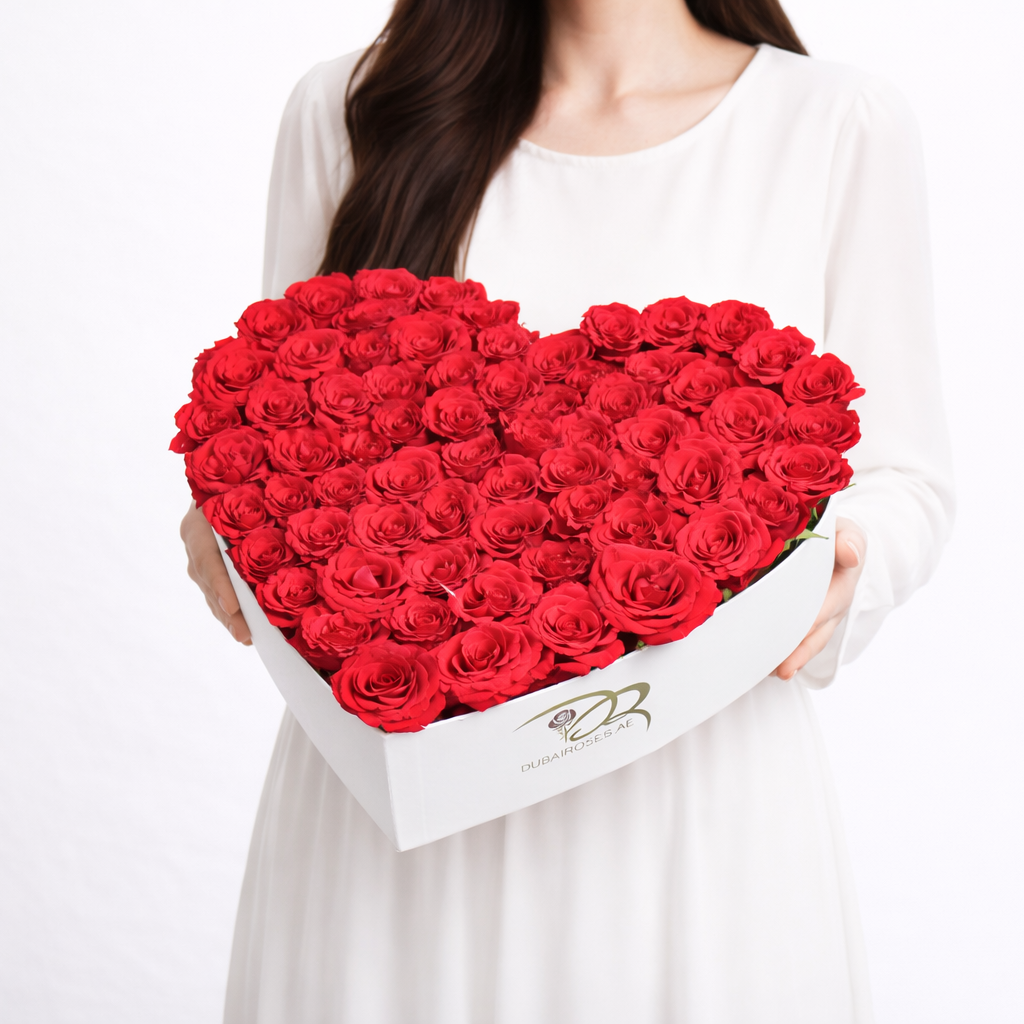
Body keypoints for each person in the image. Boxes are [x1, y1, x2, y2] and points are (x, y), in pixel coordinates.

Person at [180, 0, 954, 1019]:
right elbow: (273, 430)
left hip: (689, 799)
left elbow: (908, 480)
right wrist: (225, 522)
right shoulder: (352, 106)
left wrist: (842, 556)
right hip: (396, 808)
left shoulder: (834, 122)